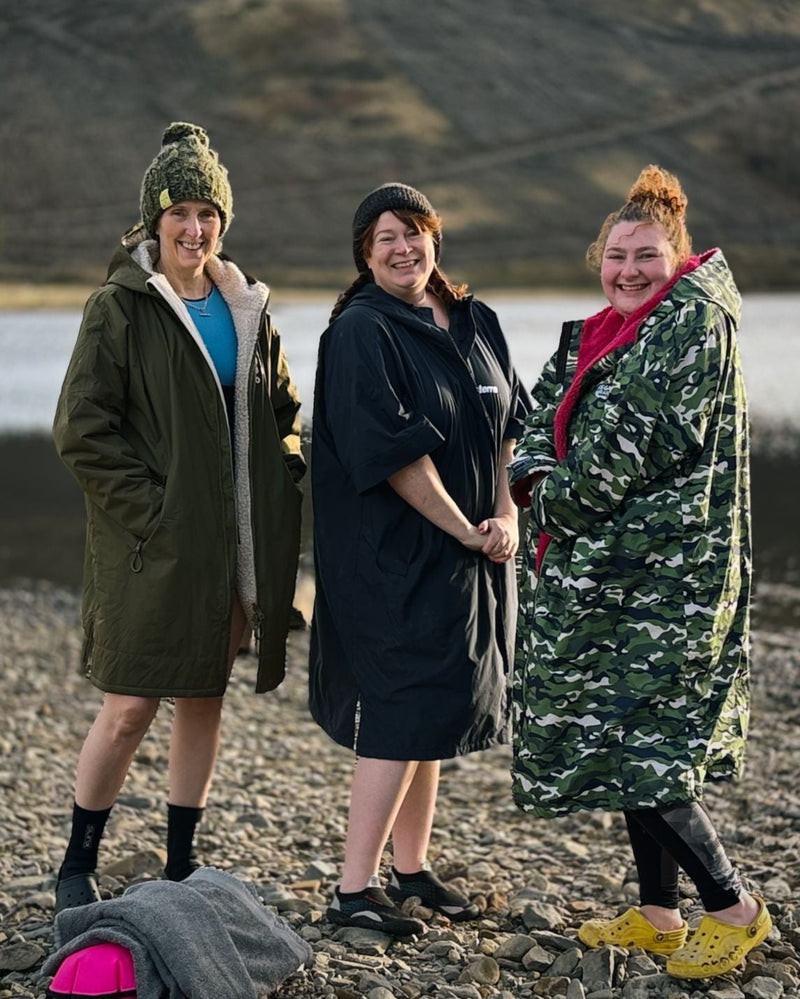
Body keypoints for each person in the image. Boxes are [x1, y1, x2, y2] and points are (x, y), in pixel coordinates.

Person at [508, 165, 771, 979]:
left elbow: (613, 462)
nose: (628, 269)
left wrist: (544, 496)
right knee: (625, 735)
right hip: (622, 579)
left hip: (669, 581)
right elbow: (538, 416)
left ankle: (733, 906)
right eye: (616, 254)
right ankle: (658, 911)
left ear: (677, 256)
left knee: (648, 747)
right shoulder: (609, 332)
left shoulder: (687, 328)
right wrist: (535, 466)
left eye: (646, 255)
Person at [52, 122, 305, 914]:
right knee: (129, 704)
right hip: (150, 549)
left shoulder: (248, 308)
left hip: (234, 549)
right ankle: (76, 860)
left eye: (208, 214)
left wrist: (283, 473)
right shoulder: (119, 310)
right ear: (153, 221)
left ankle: (182, 863)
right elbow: (81, 431)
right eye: (180, 214)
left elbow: (283, 411)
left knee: (204, 696)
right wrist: (153, 513)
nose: (195, 230)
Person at [309, 183, 530, 936]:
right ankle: (353, 888)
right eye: (384, 240)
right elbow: (395, 456)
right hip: (393, 556)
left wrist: (503, 512)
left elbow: (508, 428)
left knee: (438, 704)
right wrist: (466, 527)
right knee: (401, 709)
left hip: (470, 550)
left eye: (413, 233)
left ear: (435, 238)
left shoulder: (476, 321)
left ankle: (412, 868)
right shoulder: (361, 333)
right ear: (365, 256)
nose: (402, 249)